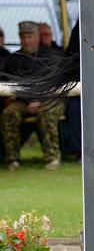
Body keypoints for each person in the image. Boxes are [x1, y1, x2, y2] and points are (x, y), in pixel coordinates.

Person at [1, 21, 66, 170]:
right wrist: (11, 98)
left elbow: (57, 83)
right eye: (23, 37)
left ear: (37, 36)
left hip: (52, 100)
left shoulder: (52, 56)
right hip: (23, 101)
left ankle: (53, 158)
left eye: (30, 36)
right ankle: (13, 160)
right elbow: (6, 84)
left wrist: (39, 100)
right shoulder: (13, 59)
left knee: (46, 113)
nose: (27, 40)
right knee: (8, 114)